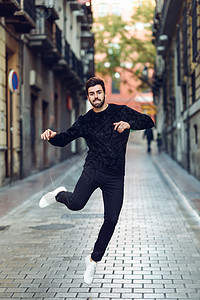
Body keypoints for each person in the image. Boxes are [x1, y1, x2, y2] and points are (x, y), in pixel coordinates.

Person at [39, 77, 154, 285]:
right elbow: (65, 138)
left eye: (98, 92)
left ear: (104, 92)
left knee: (111, 219)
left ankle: (93, 260)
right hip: (93, 170)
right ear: (88, 96)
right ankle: (58, 194)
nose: (96, 97)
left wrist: (129, 124)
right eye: (91, 94)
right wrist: (52, 135)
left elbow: (149, 121)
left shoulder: (120, 111)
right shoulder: (85, 120)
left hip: (115, 175)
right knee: (75, 204)